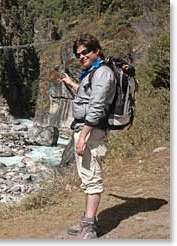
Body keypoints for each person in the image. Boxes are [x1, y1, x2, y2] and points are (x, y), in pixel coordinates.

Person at [61, 33, 116, 239]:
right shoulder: (91, 72)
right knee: (87, 175)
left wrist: (83, 136)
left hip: (91, 131)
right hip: (86, 129)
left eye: (85, 52)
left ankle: (90, 228)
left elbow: (96, 107)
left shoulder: (102, 73)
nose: (81, 56)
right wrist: (71, 84)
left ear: (97, 50)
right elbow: (87, 97)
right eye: (78, 54)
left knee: (92, 177)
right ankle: (87, 220)